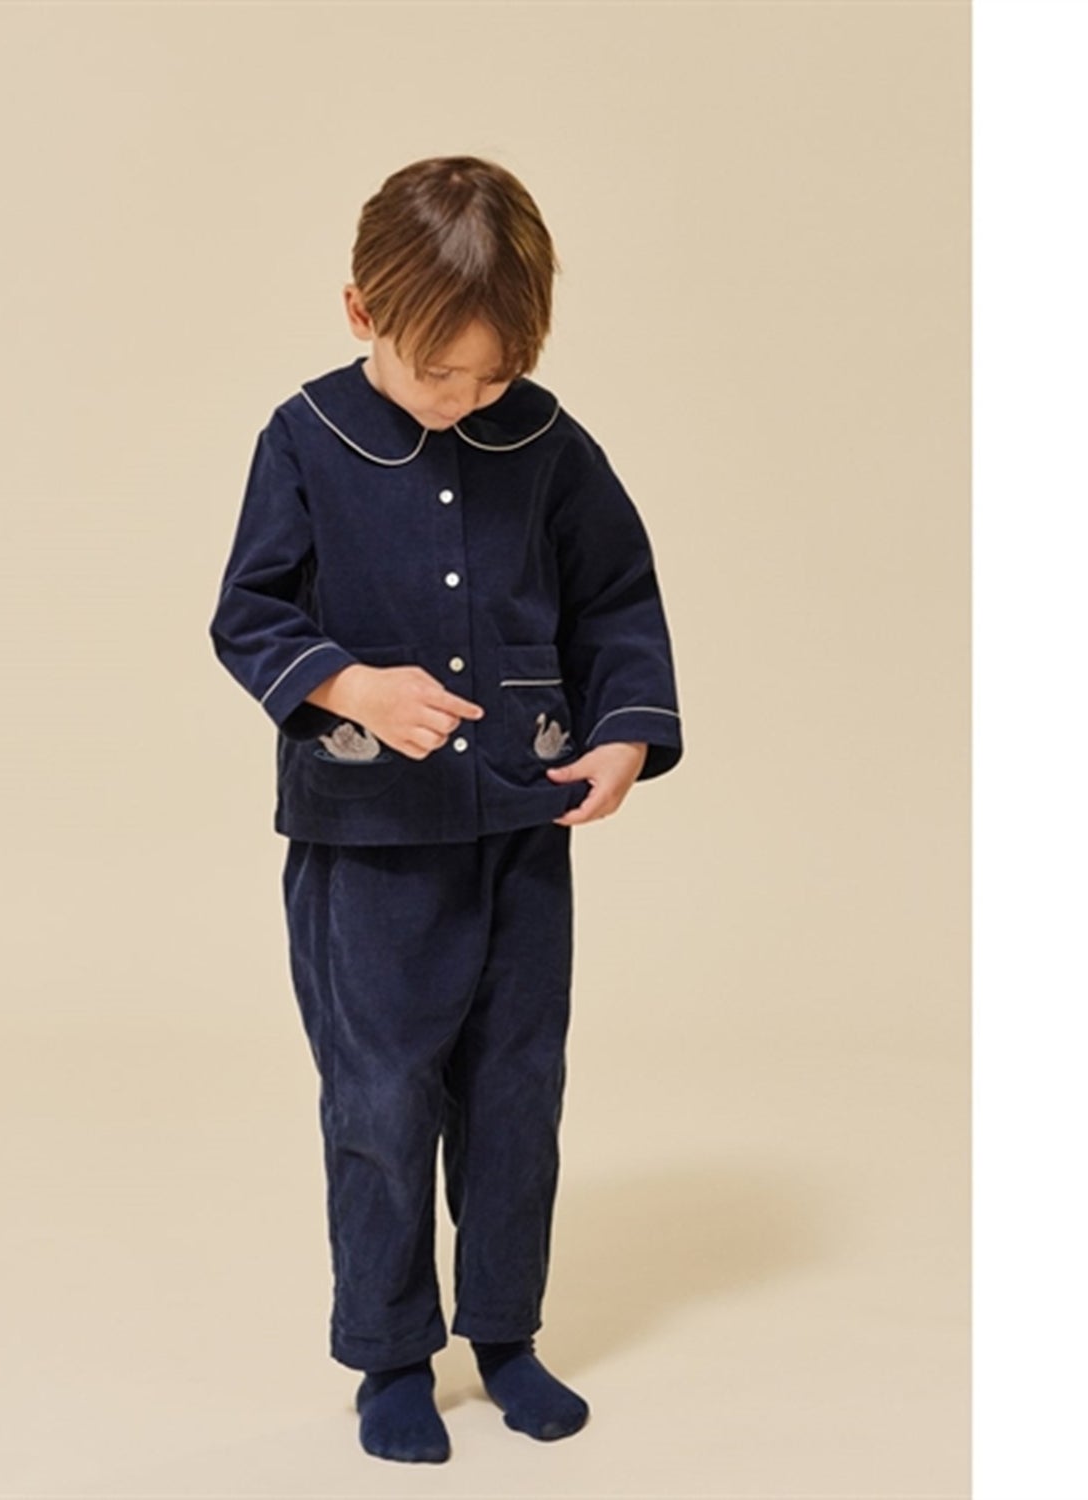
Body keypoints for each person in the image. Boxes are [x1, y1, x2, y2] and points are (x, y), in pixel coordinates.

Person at [208, 155, 685, 1465]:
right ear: (361, 312)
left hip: (521, 834)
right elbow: (249, 614)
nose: (468, 398)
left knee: (518, 1092)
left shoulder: (550, 441)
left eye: (497, 374)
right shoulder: (304, 439)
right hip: (366, 850)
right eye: (440, 373)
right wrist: (350, 682)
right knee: (380, 1102)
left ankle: (507, 1335)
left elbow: (615, 597)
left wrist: (628, 730)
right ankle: (390, 1356)